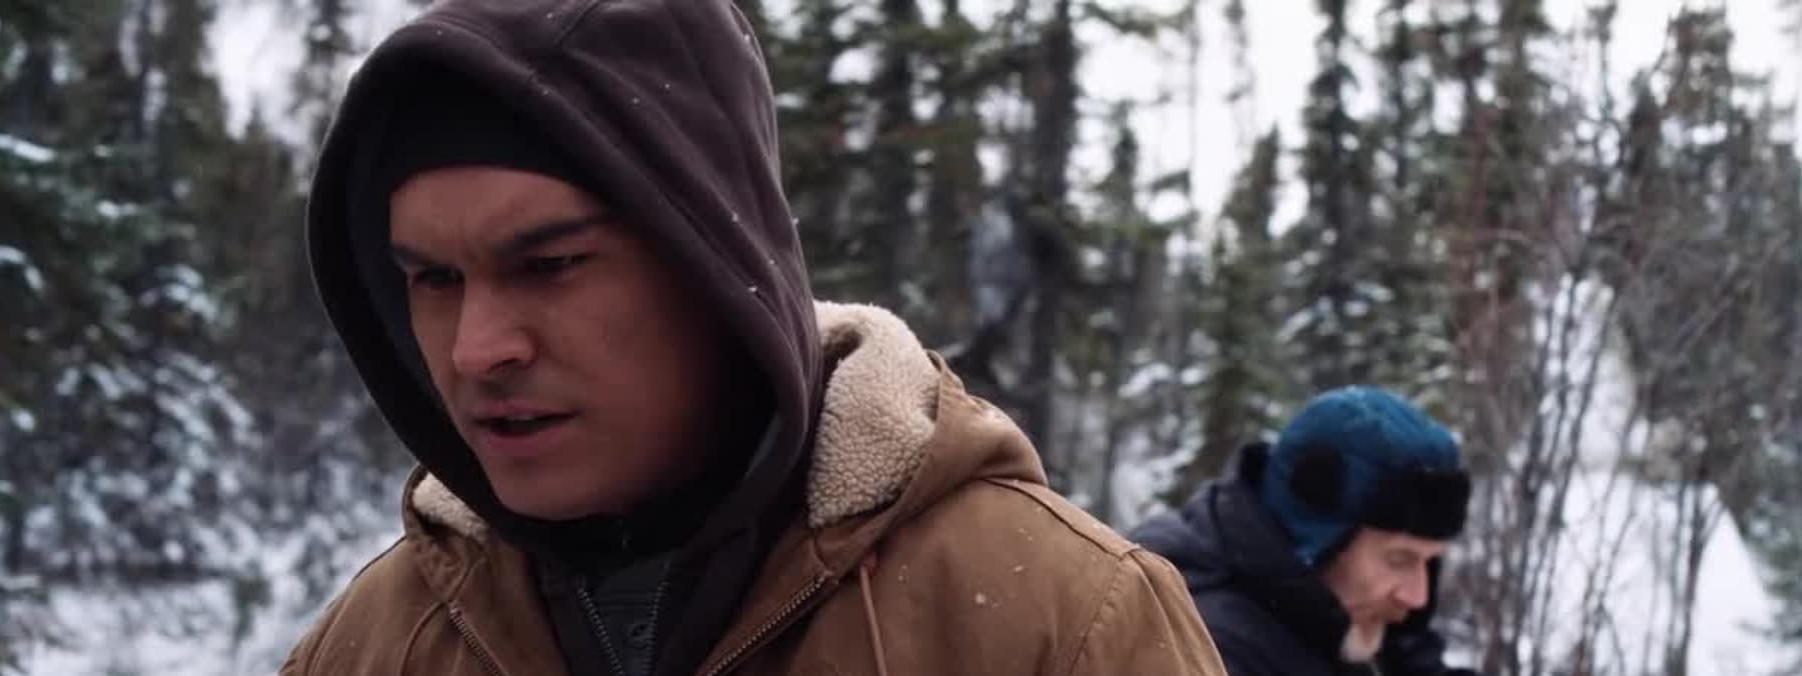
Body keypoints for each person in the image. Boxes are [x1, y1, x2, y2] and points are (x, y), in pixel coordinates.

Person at [278, 1, 1226, 675]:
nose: (476, 350)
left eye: (551, 264)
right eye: (434, 280)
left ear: (712, 263)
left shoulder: (1058, 624)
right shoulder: (378, 645)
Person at [1133, 386, 1482, 676]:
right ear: (1316, 539)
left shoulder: (1358, 619)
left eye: (1430, 562)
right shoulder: (1200, 647)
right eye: (1399, 559)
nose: (1417, 596)